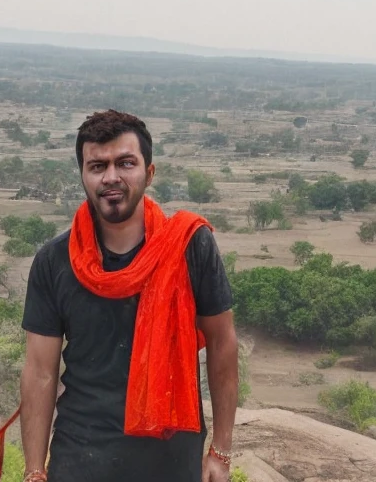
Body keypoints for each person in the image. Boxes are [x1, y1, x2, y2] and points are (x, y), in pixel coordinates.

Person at [19, 110, 238, 482]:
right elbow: (40, 371)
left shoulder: (188, 246)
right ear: (83, 176)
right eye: (97, 166)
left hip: (170, 458)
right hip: (81, 456)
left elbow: (222, 344)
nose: (111, 177)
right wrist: (34, 471)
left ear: (149, 173)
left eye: (125, 163)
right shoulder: (54, 260)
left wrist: (221, 450)